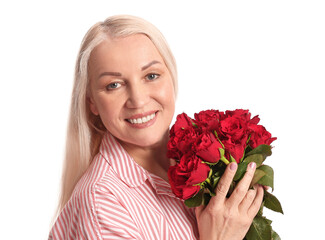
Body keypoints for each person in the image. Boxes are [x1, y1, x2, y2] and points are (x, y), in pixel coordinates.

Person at [49, 15, 264, 240]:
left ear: (171, 77)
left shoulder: (201, 157)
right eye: (114, 85)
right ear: (91, 101)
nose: (138, 100)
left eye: (151, 76)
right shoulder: (101, 202)